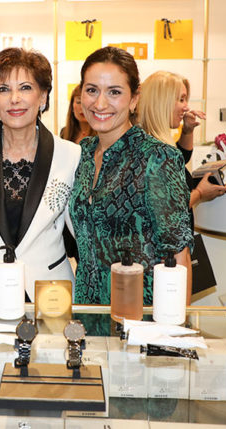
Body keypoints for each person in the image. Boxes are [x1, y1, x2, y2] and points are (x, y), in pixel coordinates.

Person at [69, 47, 194, 305]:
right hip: (87, 309)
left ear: (134, 99)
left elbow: (178, 255)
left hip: (140, 313)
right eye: (92, 90)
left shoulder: (157, 158)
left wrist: (173, 322)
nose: (100, 103)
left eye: (114, 92)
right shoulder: (81, 154)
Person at [0, 48, 80, 302]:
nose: (14, 99)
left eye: (25, 88)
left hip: (50, 291)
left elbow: (81, 232)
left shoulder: (71, 155)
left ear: (43, 96)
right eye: (3, 89)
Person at [138, 71, 226, 229]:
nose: (186, 107)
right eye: (181, 99)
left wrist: (187, 130)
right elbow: (168, 210)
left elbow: (181, 157)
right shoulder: (154, 150)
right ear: (162, 101)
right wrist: (199, 193)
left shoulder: (151, 142)